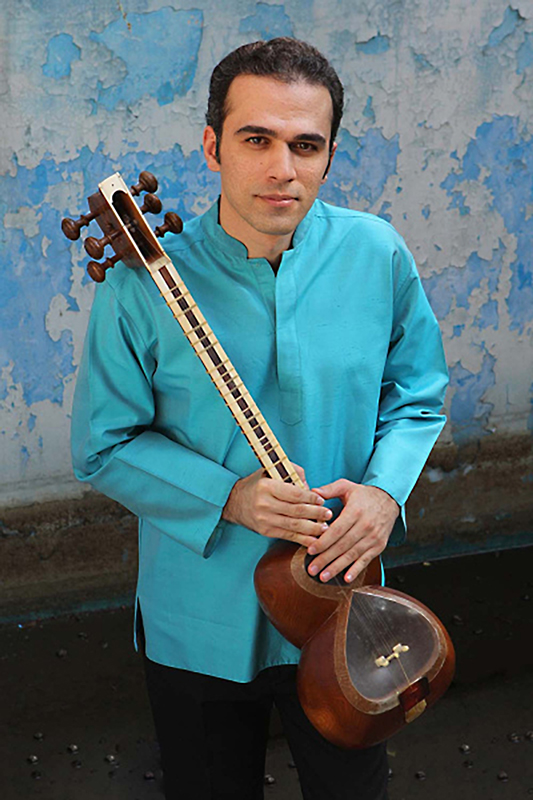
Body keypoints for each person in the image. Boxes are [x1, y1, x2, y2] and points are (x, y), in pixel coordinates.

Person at [71, 37, 448, 800]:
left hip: (343, 605)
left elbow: (417, 394)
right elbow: (101, 445)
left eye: (305, 145)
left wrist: (383, 495)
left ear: (329, 155)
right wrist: (228, 497)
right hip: (197, 618)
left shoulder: (376, 255)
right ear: (213, 146)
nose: (283, 167)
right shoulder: (143, 285)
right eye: (257, 139)